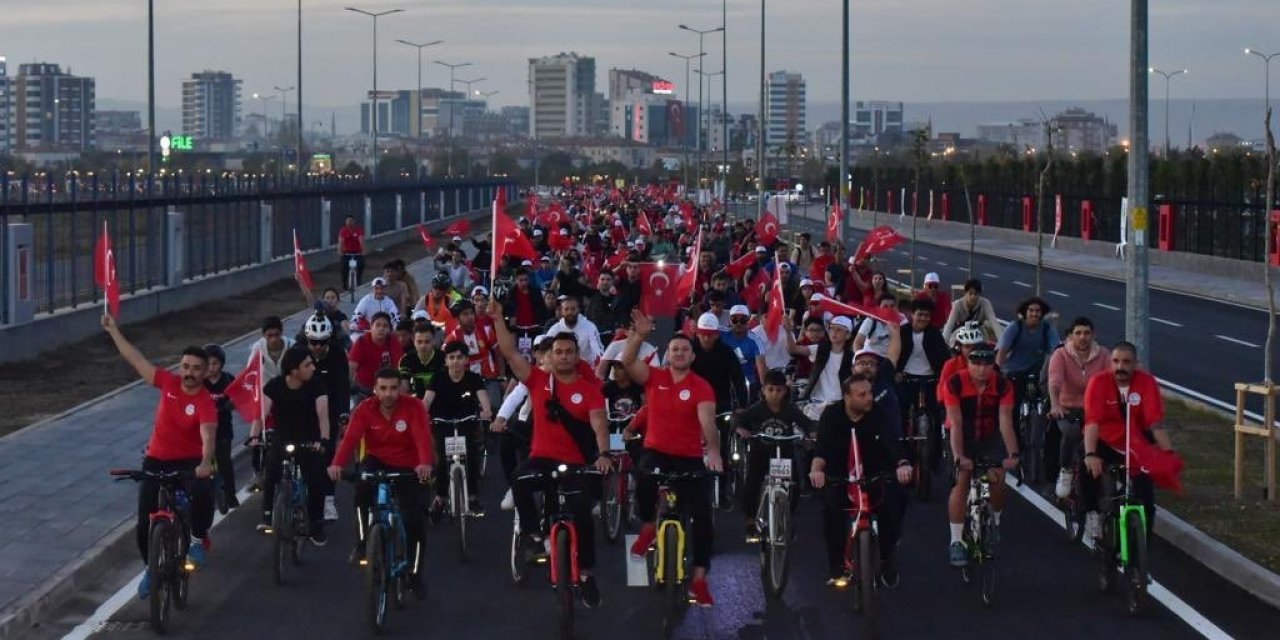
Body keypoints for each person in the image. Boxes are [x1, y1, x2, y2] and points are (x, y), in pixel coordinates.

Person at [488, 300, 610, 610]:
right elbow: (511, 353)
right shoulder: (538, 380)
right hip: (542, 457)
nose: (564, 356)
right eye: (558, 352)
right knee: (519, 479)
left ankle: (585, 575)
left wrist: (604, 454)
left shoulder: (589, 388)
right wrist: (498, 320)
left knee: (582, 514)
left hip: (577, 463)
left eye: (569, 352)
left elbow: (599, 423)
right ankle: (533, 534)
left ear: (575, 355)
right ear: (550, 357)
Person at [102, 314, 216, 600]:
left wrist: (205, 462)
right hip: (156, 460)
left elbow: (208, 434)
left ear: (204, 373)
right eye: (186, 366)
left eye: (196, 369)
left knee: (204, 491)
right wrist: (114, 330)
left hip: (190, 462)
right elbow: (136, 359)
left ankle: (196, 539)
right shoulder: (167, 382)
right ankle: (151, 568)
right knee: (144, 523)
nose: (189, 372)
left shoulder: (204, 401)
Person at [622, 311, 723, 607]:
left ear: (692, 356)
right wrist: (639, 336)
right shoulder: (655, 377)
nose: (679, 353)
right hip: (657, 452)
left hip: (690, 457)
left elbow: (708, 423)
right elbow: (628, 363)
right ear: (668, 355)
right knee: (643, 477)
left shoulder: (701, 386)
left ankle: (700, 579)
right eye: (675, 349)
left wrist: (714, 451)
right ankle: (647, 527)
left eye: (685, 349)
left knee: (703, 517)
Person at [328, 368, 434, 594]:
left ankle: (415, 574)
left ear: (400, 388)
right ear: (375, 389)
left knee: (414, 521)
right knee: (361, 492)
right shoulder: (364, 409)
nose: (388, 394)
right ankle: (363, 542)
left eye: (393, 388)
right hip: (376, 460)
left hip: (408, 463)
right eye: (383, 388)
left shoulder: (414, 407)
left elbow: (422, 437)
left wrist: (424, 464)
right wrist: (337, 463)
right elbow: (350, 439)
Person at [809, 374, 913, 587]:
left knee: (893, 505)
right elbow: (821, 450)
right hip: (840, 476)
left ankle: (885, 558)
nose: (869, 398)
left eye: (870, 393)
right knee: (831, 512)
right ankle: (837, 566)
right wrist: (816, 471)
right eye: (862, 394)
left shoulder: (878, 413)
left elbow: (891, 443)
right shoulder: (831, 415)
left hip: (875, 474)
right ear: (847, 397)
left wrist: (902, 464)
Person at [1082, 342, 1173, 540]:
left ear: (1135, 364)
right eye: (1115, 361)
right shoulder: (1098, 382)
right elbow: (1092, 422)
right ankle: (1092, 515)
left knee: (1146, 500)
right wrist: (1090, 455)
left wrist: (1168, 454)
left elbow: (1155, 423)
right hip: (1105, 441)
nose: (1120, 366)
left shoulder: (1147, 383)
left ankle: (1142, 553)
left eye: (1126, 362)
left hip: (1135, 444)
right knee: (1088, 471)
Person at [943, 346, 1020, 567]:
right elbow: (956, 424)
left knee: (997, 478)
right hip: (962, 436)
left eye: (987, 365)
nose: (982, 369)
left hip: (990, 435)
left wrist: (1013, 454)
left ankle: (994, 521)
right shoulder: (955, 383)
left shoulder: (1003, 384)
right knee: (962, 481)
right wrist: (959, 456)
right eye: (977, 364)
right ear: (969, 364)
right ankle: (956, 540)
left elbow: (1006, 422)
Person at [249, 347, 330, 544]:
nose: (313, 367)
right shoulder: (274, 386)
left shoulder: (317, 385)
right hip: (282, 437)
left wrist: (323, 440)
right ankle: (268, 515)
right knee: (271, 472)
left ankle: (316, 524)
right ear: (294, 370)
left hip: (309, 440)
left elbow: (323, 416)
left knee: (316, 479)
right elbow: (261, 415)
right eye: (307, 365)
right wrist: (254, 437)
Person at [734, 370, 815, 536]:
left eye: (778, 390)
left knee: (794, 486)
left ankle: (787, 517)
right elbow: (739, 419)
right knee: (752, 484)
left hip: (784, 453)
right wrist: (740, 429)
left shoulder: (790, 409)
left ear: (785, 391)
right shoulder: (758, 408)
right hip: (761, 452)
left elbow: (806, 423)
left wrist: (812, 432)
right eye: (770, 390)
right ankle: (750, 519)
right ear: (763, 390)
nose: (774, 394)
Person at [424, 340, 493, 516]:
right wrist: (422, 413)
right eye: (451, 357)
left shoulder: (474, 379)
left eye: (459, 357)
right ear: (446, 360)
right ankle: (440, 498)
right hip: (442, 423)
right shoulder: (438, 378)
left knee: (471, 458)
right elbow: (427, 401)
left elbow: (483, 397)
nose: (455, 361)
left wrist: (486, 410)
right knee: (441, 463)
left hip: (467, 422)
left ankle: (472, 498)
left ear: (466, 360)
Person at [1047, 317, 1110, 501]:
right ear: (1071, 336)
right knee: (1072, 433)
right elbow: (1055, 381)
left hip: (1095, 410)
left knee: (1107, 437)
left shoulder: (1104, 355)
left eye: (1087, 333)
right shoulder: (1060, 355)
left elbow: (1110, 380)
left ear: (1093, 335)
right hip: (1067, 408)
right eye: (1078, 333)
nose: (1083, 337)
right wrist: (1055, 404)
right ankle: (1065, 470)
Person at [302, 313, 349, 522]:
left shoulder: (338, 354)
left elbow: (342, 387)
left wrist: (343, 414)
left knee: (328, 454)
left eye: (322, 343)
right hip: (304, 407)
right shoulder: (299, 354)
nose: (318, 347)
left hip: (329, 409)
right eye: (313, 342)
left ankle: (329, 499)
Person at [895, 299, 950, 470]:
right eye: (920, 314)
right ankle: (901, 454)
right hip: (906, 378)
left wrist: (943, 377)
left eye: (927, 315)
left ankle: (935, 459)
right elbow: (894, 353)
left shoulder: (934, 334)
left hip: (930, 380)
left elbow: (945, 358)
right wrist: (896, 372)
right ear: (912, 314)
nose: (923, 318)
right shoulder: (902, 332)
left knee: (936, 414)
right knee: (900, 412)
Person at [995, 296, 1061, 409]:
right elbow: (1002, 352)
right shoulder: (1015, 327)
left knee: (1048, 398)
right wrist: (997, 373)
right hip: (1014, 371)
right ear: (1025, 312)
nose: (1034, 314)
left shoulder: (1047, 328)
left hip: (1038, 371)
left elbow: (1057, 352)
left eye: (1038, 311)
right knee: (1012, 403)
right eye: (1031, 310)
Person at [202, 344, 239, 510]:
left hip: (223, 428)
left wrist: (232, 404)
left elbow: (238, 397)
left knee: (225, 463)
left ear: (221, 364)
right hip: (203, 429)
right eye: (208, 364)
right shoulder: (200, 382)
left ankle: (231, 495)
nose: (211, 368)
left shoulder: (228, 380)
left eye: (215, 363)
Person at [348, 312, 404, 402]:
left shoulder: (394, 341)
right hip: (364, 390)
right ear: (371, 327)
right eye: (377, 325)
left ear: (390, 329)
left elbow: (400, 366)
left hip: (388, 389)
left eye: (385, 326)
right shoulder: (361, 342)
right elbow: (351, 369)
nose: (381, 328)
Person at [545, 295, 605, 367]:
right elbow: (546, 350)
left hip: (587, 367)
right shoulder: (555, 329)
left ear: (578, 310)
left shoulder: (589, 327)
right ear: (561, 311)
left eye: (573, 309)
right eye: (566, 309)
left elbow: (598, 350)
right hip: (563, 367)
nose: (570, 312)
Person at [721, 305, 763, 401]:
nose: (738, 323)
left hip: (747, 383)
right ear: (730, 321)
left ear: (748, 321)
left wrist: (764, 391)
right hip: (725, 381)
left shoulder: (755, 341)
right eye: (735, 320)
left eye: (743, 320)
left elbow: (761, 368)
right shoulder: (721, 334)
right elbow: (703, 327)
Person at [942, 279, 1000, 344]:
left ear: (980, 294)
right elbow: (949, 325)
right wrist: (942, 343)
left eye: (976, 294)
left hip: (979, 336)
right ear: (965, 293)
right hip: (960, 335)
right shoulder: (958, 304)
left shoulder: (985, 303)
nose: (973, 297)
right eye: (970, 293)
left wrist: (1002, 342)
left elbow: (994, 323)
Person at [399, 323, 446, 399]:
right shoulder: (406, 359)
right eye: (419, 342)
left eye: (427, 342)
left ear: (434, 340)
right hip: (418, 401)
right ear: (413, 340)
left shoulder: (444, 357)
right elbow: (404, 388)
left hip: (442, 400)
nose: (423, 346)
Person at [853, 293, 902, 358]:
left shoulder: (901, 323)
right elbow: (858, 342)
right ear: (879, 308)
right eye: (885, 306)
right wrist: (860, 358)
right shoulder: (871, 321)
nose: (889, 309)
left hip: (887, 361)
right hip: (869, 358)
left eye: (892, 306)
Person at [248, 316, 294, 381]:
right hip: (265, 386)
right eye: (269, 335)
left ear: (281, 332)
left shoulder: (292, 346)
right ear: (263, 335)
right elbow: (250, 370)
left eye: (276, 334)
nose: (273, 339)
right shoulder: (258, 348)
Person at [338, 214, 365, 291]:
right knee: (344, 268)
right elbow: (341, 242)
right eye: (348, 221)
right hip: (346, 254)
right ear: (345, 222)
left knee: (361, 265)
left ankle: (359, 281)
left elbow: (361, 241)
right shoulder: (343, 231)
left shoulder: (358, 230)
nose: (349, 222)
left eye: (351, 221)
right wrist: (340, 251)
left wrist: (363, 250)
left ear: (354, 221)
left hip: (357, 253)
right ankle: (345, 286)